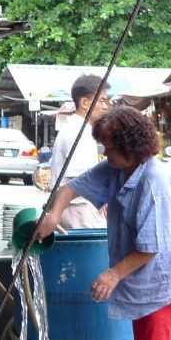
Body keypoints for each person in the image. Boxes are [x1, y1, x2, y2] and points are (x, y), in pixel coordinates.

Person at [35, 106, 171, 340]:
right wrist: (53, 213)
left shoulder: (154, 182)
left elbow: (151, 246)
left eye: (109, 148)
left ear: (131, 146)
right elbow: (73, 187)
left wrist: (112, 275)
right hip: (141, 285)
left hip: (162, 287)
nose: (105, 153)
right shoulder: (118, 169)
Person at [50, 74, 110, 228]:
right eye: (102, 101)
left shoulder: (80, 129)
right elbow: (79, 181)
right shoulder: (79, 132)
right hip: (79, 209)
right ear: (85, 103)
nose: (106, 107)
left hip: (75, 207)